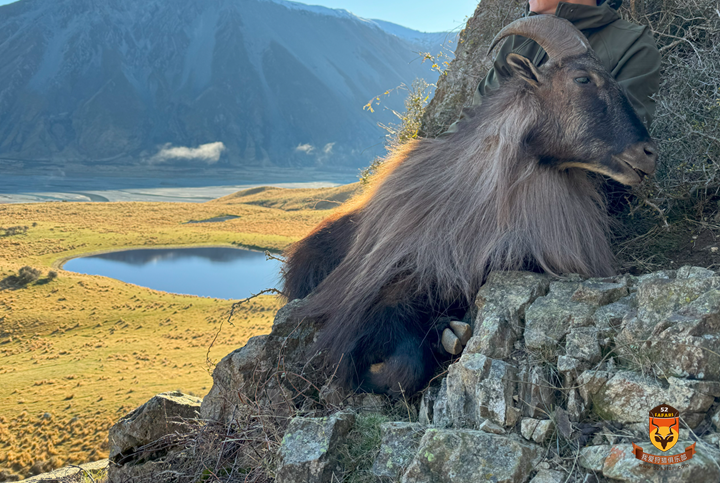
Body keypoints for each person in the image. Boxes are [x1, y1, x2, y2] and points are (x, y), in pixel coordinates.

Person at [445, 0, 661, 134]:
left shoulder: (633, 44)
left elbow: (626, 143)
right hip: (483, 182)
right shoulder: (522, 38)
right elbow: (474, 118)